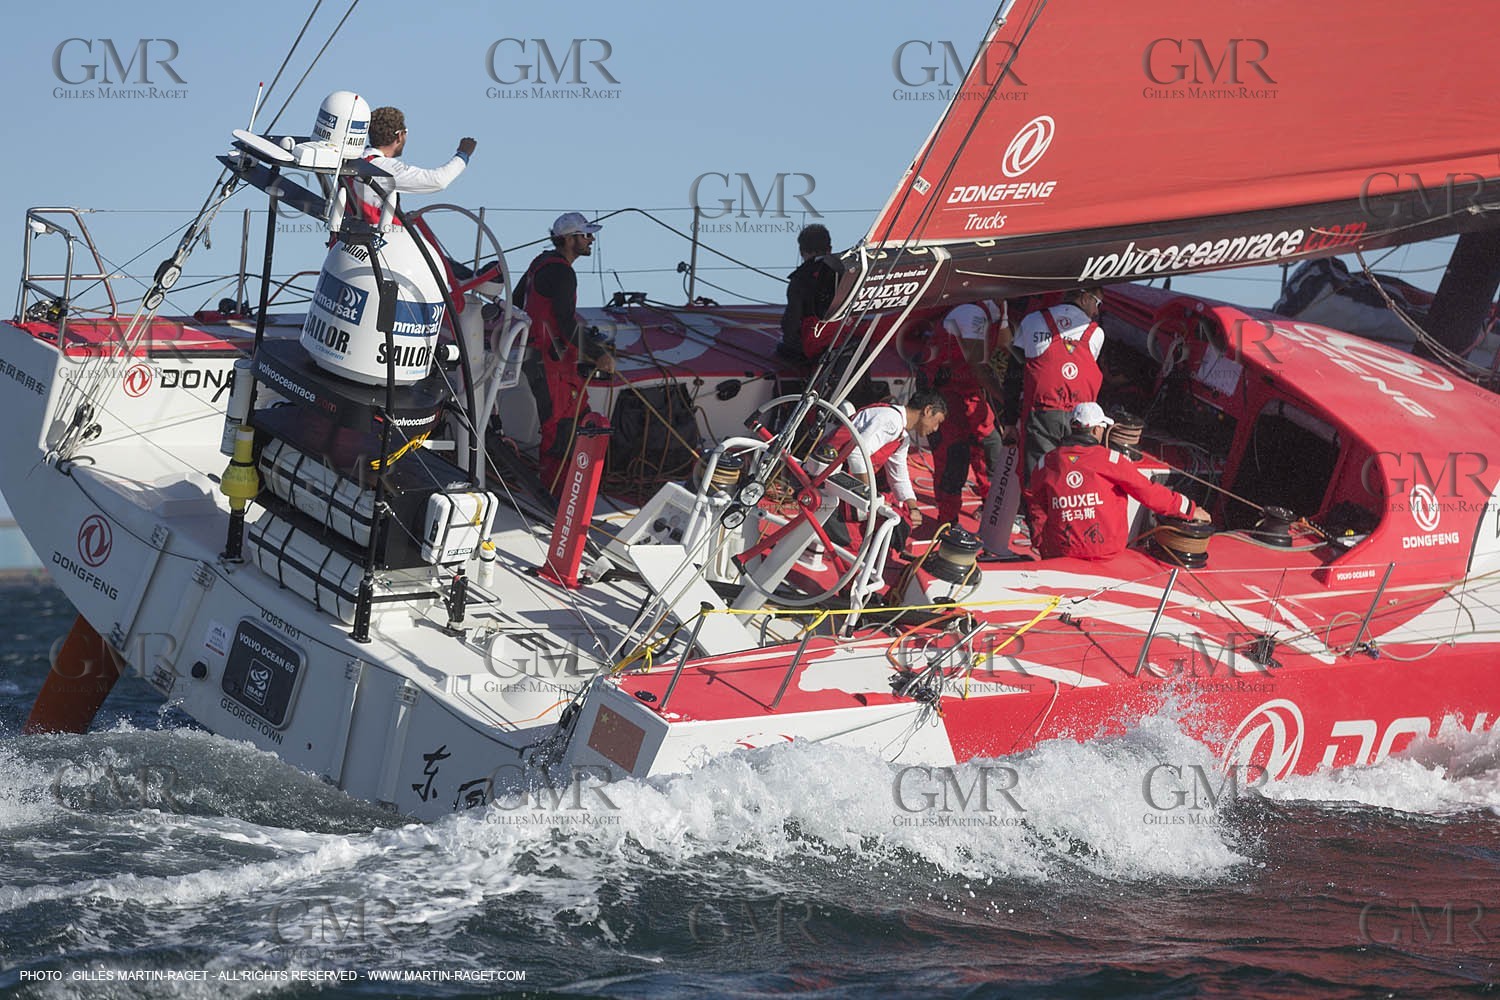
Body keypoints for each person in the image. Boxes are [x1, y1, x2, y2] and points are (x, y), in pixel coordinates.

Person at [513, 212, 617, 491]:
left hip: (540, 356)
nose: (591, 239)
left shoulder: (540, 263)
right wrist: (599, 355)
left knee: (580, 420)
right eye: (586, 235)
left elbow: (515, 302)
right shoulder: (562, 272)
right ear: (570, 240)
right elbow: (566, 324)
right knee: (559, 426)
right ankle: (554, 492)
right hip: (550, 362)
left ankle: (570, 485)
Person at [1028, 402, 1209, 560]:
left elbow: (1033, 502)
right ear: (1096, 430)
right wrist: (1188, 509)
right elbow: (1148, 492)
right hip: (1105, 556)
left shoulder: (1046, 462)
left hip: (1060, 554)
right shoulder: (1112, 460)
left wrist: (1040, 541)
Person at [815, 390, 948, 549]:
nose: (935, 428)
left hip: (838, 478)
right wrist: (869, 495)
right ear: (927, 411)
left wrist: (912, 506)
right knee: (867, 536)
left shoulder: (901, 435)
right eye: (937, 422)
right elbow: (857, 454)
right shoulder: (890, 421)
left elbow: (899, 476)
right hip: (828, 481)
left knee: (899, 513)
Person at [920, 300, 1008, 528]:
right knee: (953, 457)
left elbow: (1003, 345)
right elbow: (979, 366)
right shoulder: (972, 312)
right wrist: (1007, 399)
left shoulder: (1000, 307)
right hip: (945, 393)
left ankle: (994, 511)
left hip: (970, 391)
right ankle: (947, 522)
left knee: (991, 446)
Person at [1014, 286, 1105, 476]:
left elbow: (1014, 371)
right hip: (1081, 419)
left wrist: (1008, 419)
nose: (1096, 311)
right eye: (1097, 303)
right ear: (1084, 297)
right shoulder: (1096, 333)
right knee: (1075, 476)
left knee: (1038, 476)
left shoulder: (1032, 320)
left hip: (1042, 416)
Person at [349, 106, 476, 224]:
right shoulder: (383, 167)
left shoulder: (355, 160)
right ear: (399, 136)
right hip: (374, 244)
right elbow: (438, 181)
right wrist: (463, 155)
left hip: (342, 243)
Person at [777, 224, 842, 365]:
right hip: (845, 341)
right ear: (829, 249)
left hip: (815, 345)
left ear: (801, 251)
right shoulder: (846, 271)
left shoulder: (800, 278)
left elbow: (792, 321)